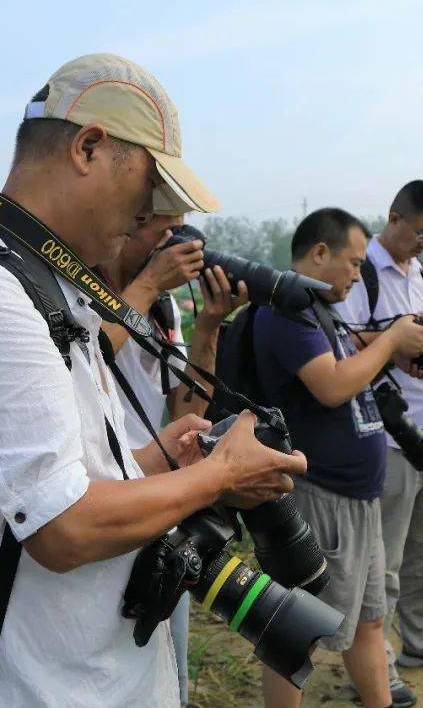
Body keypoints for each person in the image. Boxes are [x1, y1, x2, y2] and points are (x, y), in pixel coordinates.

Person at [0, 53, 306, 707]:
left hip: (97, 676)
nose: (146, 218)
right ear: (89, 146)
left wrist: (155, 459)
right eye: (147, 194)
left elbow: (55, 475)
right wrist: (217, 474)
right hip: (44, 690)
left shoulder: (46, 289)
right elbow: (61, 526)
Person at [253, 208, 423, 708]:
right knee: (297, 631)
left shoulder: (321, 312)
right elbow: (332, 387)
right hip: (322, 496)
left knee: (369, 622)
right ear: (319, 254)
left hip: (359, 497)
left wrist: (393, 350)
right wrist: (391, 341)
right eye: (353, 264)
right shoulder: (284, 312)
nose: (358, 275)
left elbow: (348, 374)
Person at [335, 181, 423, 708]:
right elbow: (342, 339)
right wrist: (393, 344)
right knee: (385, 561)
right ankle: (380, 669)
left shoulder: (422, 274)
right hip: (392, 437)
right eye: (420, 233)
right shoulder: (362, 271)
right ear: (393, 218)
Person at [99, 213, 250, 706]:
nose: (174, 244)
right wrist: (146, 283)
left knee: (165, 661)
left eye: (178, 232)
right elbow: (84, 353)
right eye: (161, 231)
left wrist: (208, 324)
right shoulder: (75, 292)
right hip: (97, 505)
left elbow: (188, 408)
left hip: (156, 503)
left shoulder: (162, 305)